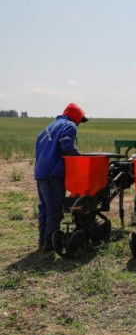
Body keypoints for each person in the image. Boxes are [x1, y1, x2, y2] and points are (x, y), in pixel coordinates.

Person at [34, 103, 89, 252]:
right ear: (75, 116)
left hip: (41, 172)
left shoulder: (48, 128)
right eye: (79, 120)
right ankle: (51, 243)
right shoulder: (69, 125)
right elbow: (66, 145)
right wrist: (79, 160)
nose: (79, 123)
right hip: (54, 174)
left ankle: (43, 242)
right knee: (55, 210)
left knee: (44, 208)